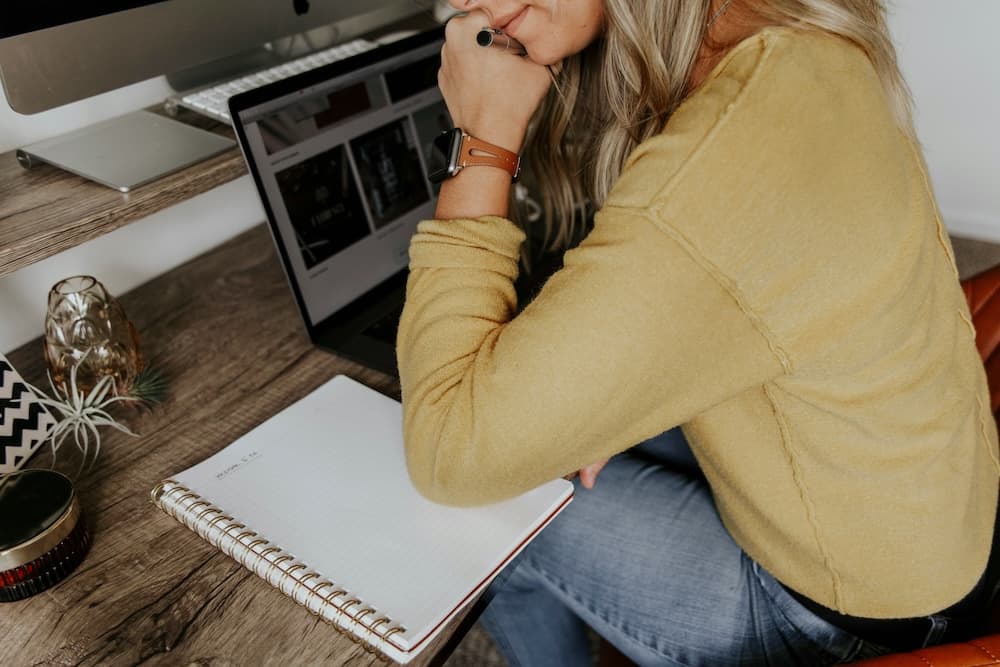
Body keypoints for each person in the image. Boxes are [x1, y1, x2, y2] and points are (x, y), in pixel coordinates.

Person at [395, 0, 1000, 664]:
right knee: (527, 436)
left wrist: (484, 135)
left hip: (853, 614)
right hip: (931, 525)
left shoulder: (735, 151)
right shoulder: (793, 38)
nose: (464, 10)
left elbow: (448, 447)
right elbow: (736, 283)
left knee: (477, 509)